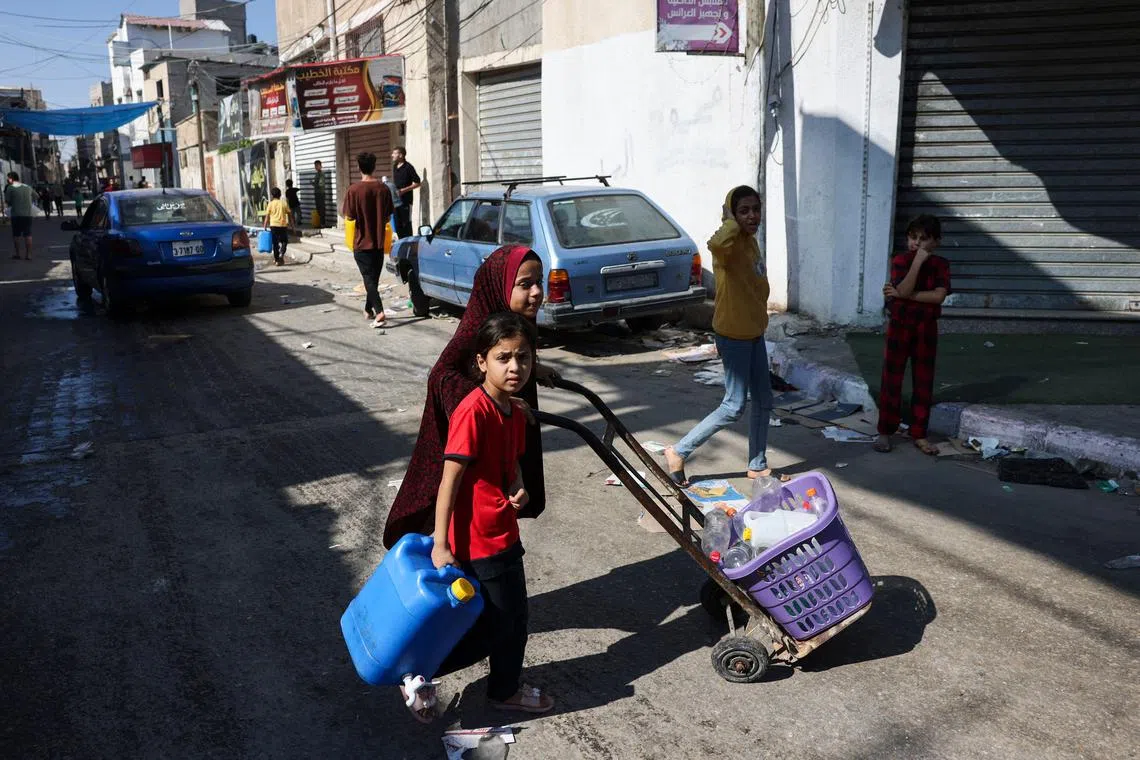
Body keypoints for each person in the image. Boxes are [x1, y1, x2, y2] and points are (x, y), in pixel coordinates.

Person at [399, 311, 554, 722]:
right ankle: (486, 688)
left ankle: (426, 673)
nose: (515, 367)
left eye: (523, 357)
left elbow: (510, 462)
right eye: (503, 358)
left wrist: (517, 482)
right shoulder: (474, 411)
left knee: (499, 620)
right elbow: (448, 480)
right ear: (482, 361)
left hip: (500, 529)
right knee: (504, 623)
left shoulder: (512, 409)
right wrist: (441, 543)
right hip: (479, 540)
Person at [384, 245, 552, 547]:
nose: (537, 292)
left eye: (540, 281)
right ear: (501, 285)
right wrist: (496, 401)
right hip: (477, 443)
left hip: (502, 443)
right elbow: (441, 375)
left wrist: (537, 368)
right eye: (525, 284)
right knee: (479, 514)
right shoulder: (479, 328)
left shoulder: (514, 321)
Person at [664, 186, 781, 486]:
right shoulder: (728, 245)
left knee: (765, 400)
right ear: (731, 214)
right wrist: (732, 220)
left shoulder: (750, 242)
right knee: (734, 405)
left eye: (756, 209)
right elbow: (715, 244)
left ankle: (757, 464)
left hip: (753, 332)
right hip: (734, 335)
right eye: (744, 210)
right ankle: (678, 451)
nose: (752, 215)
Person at [874, 215, 951, 456]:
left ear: (936, 241)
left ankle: (919, 433)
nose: (916, 243)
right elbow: (906, 288)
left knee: (923, 380)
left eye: (923, 239)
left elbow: (938, 296)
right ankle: (885, 431)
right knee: (892, 379)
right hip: (900, 324)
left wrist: (901, 294)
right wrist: (917, 263)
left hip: (926, 327)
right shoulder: (900, 261)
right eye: (912, 237)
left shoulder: (941, 264)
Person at [341, 152, 394, 327]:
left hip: (361, 241)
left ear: (358, 167)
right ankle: (368, 309)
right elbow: (387, 216)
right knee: (372, 279)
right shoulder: (383, 189)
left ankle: (379, 311)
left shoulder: (353, 190)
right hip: (379, 241)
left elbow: (349, 216)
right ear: (374, 166)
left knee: (368, 279)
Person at [390, 146, 421, 239]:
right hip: (396, 201)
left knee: (406, 224)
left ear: (401, 155)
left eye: (394, 153)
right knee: (397, 224)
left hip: (406, 201)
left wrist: (404, 190)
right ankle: (401, 242)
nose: (392, 155)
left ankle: (409, 243)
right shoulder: (395, 166)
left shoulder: (408, 167)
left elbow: (418, 183)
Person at [5, 172, 36, 260]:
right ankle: (29, 255)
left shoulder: (10, 188)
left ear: (12, 179)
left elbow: (8, 201)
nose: (7, 180)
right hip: (27, 214)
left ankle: (18, 254)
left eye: (8, 178)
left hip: (16, 215)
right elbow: (36, 195)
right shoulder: (27, 187)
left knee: (16, 235)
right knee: (28, 234)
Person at [263, 187, 292, 266]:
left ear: (272, 195)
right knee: (284, 241)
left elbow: (267, 216)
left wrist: (265, 226)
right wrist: (293, 226)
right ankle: (281, 253)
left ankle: (276, 260)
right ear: (280, 195)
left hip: (273, 226)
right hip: (283, 225)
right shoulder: (284, 203)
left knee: (275, 243)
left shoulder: (270, 204)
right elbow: (289, 215)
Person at [311, 160, 327, 228]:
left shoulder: (321, 174)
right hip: (317, 193)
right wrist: (313, 183)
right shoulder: (317, 174)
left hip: (320, 193)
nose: (316, 167)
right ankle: (320, 223)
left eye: (317, 165)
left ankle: (323, 224)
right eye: (315, 166)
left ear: (320, 166)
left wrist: (313, 183)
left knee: (321, 208)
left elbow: (321, 184)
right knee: (318, 208)